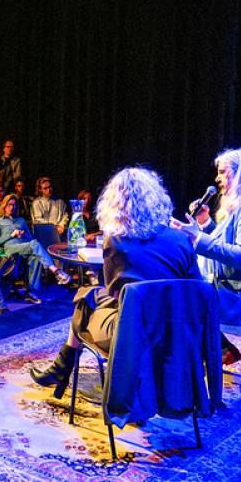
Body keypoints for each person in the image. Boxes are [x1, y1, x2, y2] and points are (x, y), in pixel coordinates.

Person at [31, 167, 202, 398]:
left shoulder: (117, 241)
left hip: (131, 336)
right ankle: (61, 368)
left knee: (85, 303)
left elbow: (114, 295)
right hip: (176, 333)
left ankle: (62, 368)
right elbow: (195, 289)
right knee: (88, 294)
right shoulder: (182, 240)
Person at [170, 148, 241, 364]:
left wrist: (197, 239)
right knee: (174, 281)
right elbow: (230, 245)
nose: (218, 178)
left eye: (224, 172)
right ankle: (216, 347)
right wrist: (205, 224)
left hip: (240, 294)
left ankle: (191, 360)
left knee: (172, 291)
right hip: (230, 284)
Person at [0, 193, 72, 303]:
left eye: (14, 205)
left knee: (36, 257)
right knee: (35, 244)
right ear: (4, 205)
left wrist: (24, 234)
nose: (12, 207)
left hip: (25, 247)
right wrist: (11, 235)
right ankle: (56, 271)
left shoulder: (21, 220)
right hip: (9, 249)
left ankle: (32, 292)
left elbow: (30, 237)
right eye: (9, 205)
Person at [31, 176, 69, 245]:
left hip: (60, 235)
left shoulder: (59, 201)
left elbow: (65, 215)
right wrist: (54, 228)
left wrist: (61, 225)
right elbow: (38, 220)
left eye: (49, 187)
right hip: (45, 236)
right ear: (40, 190)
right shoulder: (37, 203)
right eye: (45, 188)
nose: (48, 190)